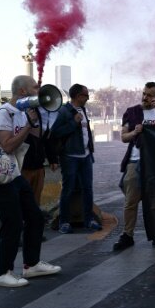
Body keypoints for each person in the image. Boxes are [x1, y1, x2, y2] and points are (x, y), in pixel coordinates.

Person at [0, 75, 61, 287]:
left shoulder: (20, 112)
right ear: (24, 92)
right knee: (13, 222)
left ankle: (31, 265)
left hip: (12, 173)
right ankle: (3, 273)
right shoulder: (3, 113)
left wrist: (34, 119)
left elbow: (37, 136)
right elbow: (8, 146)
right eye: (36, 87)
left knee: (35, 217)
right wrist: (28, 126)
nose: (40, 89)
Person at [113, 82, 155, 251]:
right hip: (135, 161)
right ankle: (127, 235)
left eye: (150, 95)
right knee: (130, 201)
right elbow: (124, 137)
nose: (145, 97)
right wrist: (135, 132)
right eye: (144, 94)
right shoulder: (133, 112)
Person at [50, 83, 99, 233]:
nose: (88, 98)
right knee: (68, 189)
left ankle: (89, 220)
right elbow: (55, 133)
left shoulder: (83, 110)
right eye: (86, 95)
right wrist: (73, 122)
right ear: (78, 96)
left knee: (88, 189)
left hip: (85, 156)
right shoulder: (64, 111)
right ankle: (64, 222)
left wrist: (90, 150)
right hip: (70, 157)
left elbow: (85, 133)